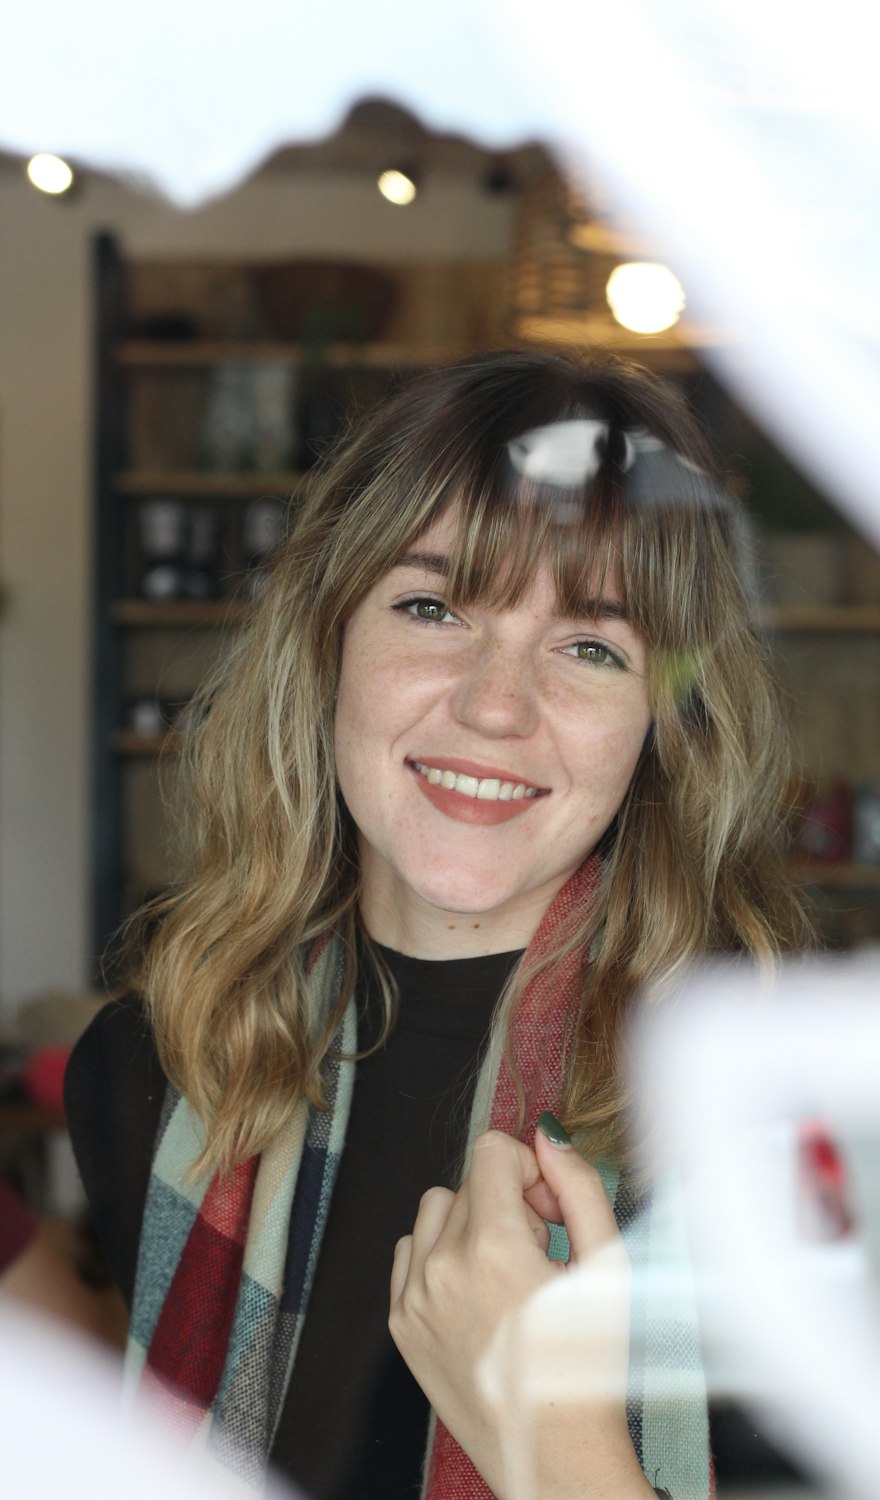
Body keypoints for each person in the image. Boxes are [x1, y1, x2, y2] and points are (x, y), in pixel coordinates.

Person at [66, 349, 810, 1500]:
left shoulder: (779, 1133)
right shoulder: (152, 1071)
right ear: (326, 644)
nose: (494, 706)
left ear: (666, 727)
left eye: (591, 646)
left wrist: (553, 1443)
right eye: (432, 605)